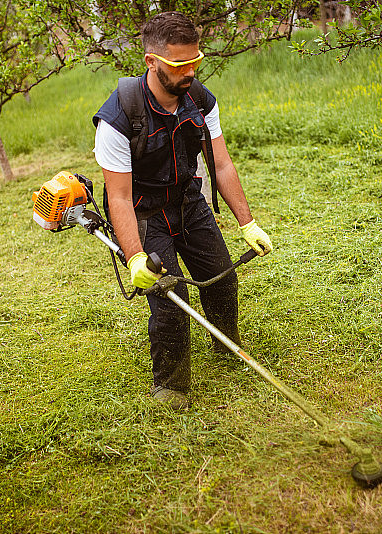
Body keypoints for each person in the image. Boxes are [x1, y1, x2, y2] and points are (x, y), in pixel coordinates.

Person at [92, 11, 272, 411]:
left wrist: (248, 223)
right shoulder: (119, 118)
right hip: (142, 211)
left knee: (220, 275)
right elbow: (118, 197)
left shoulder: (200, 99)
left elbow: (220, 164)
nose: (190, 71)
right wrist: (136, 255)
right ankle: (170, 385)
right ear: (151, 62)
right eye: (179, 64)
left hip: (187, 200)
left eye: (195, 61)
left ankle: (226, 344)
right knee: (169, 298)